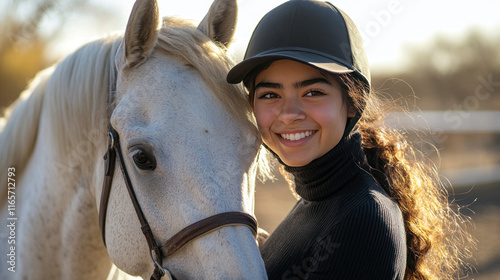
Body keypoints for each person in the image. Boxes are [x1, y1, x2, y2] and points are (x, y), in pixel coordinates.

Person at [227, 0, 473, 279]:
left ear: (354, 102)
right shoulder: (317, 200)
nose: (288, 114)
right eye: (270, 95)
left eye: (313, 92)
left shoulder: (364, 220)